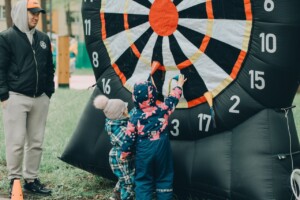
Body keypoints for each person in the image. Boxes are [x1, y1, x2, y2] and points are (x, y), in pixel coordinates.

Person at [0, 0, 55, 196]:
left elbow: (50, 67)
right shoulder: (6, 38)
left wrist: (49, 91)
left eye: (37, 13)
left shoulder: (43, 38)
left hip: (40, 98)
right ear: (21, 12)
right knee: (15, 142)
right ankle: (14, 180)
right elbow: (0, 69)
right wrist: (3, 95)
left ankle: (31, 179)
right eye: (31, 13)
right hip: (15, 97)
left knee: (36, 141)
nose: (35, 17)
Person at [120, 68, 187, 200]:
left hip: (144, 150)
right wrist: (179, 85)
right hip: (162, 147)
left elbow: (129, 138)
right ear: (154, 95)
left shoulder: (134, 118)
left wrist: (125, 153)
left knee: (143, 180)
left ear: (134, 98)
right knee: (164, 177)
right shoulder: (162, 109)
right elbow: (173, 99)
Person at [94, 95, 135, 200]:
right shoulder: (116, 128)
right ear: (120, 114)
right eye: (125, 109)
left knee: (123, 178)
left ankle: (116, 195)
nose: (127, 109)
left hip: (122, 156)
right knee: (128, 182)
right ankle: (126, 197)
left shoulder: (116, 120)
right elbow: (127, 143)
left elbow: (130, 115)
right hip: (120, 158)